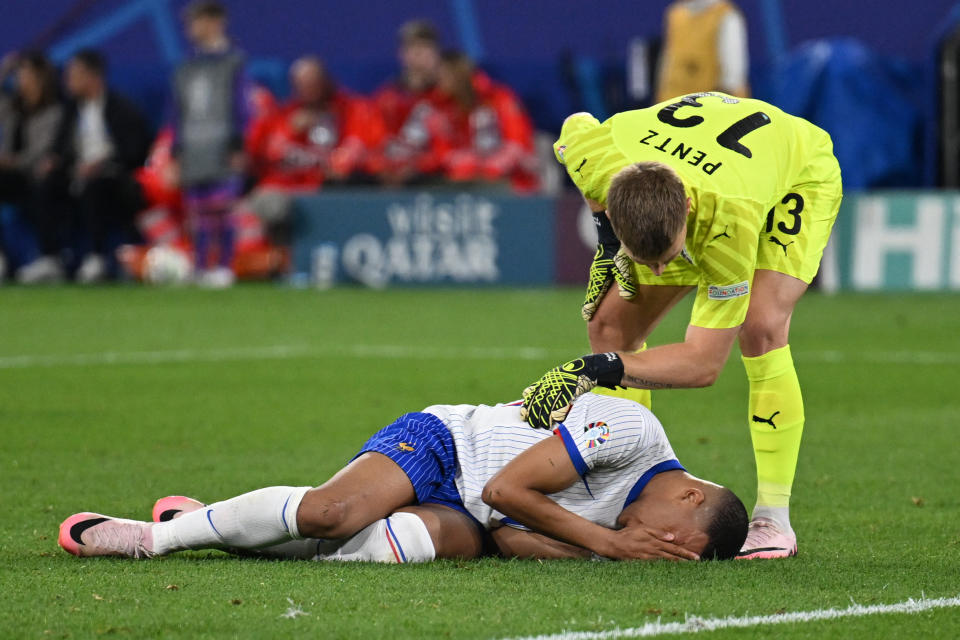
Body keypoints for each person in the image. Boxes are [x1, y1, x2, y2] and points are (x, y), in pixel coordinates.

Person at [519, 92, 843, 559]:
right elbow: (575, 125)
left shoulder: (729, 224)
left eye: (666, 259)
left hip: (795, 172)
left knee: (761, 327)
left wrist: (594, 370)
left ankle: (774, 520)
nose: (655, 272)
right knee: (610, 326)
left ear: (687, 212)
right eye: (643, 259)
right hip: (702, 155)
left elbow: (703, 365)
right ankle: (627, 485)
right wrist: (609, 244)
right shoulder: (600, 157)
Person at [58, 393, 748, 563]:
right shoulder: (632, 432)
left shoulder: (639, 532)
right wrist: (603, 545)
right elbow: (509, 490)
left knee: (393, 550)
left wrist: (600, 545)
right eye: (665, 539)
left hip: (475, 517)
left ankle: (214, 523)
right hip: (449, 444)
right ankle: (161, 537)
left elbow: (510, 534)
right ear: (692, 496)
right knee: (333, 514)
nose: (647, 544)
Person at [40, 49, 152, 284]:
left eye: (74, 75)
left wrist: (102, 164)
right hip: (75, 173)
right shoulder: (71, 110)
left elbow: (135, 151)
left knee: (95, 185)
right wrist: (54, 161)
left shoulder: (121, 108)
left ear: (93, 77)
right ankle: (51, 258)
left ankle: (97, 258)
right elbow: (59, 148)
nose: (68, 81)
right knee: (47, 184)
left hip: (112, 177)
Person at [246, 56, 386, 243]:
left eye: (313, 83)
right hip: (288, 192)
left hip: (329, 191)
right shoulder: (285, 116)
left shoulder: (351, 109)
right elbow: (266, 156)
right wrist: (291, 131)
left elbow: (363, 148)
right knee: (264, 203)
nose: (308, 90)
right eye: (301, 84)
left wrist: (341, 161)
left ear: (325, 81)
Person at [171, 0, 250, 288]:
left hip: (223, 147)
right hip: (194, 147)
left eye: (196, 21)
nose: (190, 28)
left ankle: (225, 267)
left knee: (223, 209)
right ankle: (201, 266)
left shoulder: (234, 63)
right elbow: (178, 112)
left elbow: (241, 107)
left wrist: (238, 144)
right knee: (199, 213)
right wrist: (176, 152)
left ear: (215, 22)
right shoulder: (186, 67)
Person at [427, 51, 538, 192]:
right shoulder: (442, 108)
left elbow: (517, 146)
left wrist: (488, 167)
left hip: (510, 182)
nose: (438, 82)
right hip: (464, 183)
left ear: (457, 76)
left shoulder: (500, 98)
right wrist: (466, 163)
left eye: (442, 76)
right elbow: (443, 152)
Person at [0, 51, 65, 284]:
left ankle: (50, 258)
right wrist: (4, 70)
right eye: (18, 75)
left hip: (38, 174)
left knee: (45, 181)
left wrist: (12, 161)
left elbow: (43, 150)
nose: (20, 80)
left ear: (40, 77)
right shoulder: (12, 107)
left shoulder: (54, 110)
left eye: (25, 74)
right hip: (13, 176)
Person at [655, 0, 750, 103]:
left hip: (711, 104)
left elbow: (733, 70)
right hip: (674, 102)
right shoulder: (676, 14)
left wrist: (721, 103)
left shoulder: (726, 15)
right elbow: (668, 59)